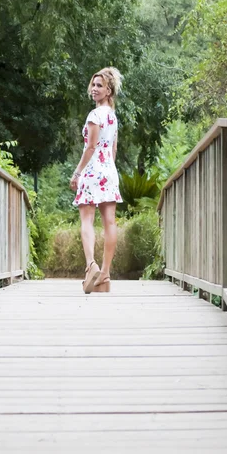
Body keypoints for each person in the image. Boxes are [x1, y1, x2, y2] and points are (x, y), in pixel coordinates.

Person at [70, 67, 123, 294]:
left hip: (92, 172)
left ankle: (91, 264)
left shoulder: (95, 116)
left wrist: (78, 172)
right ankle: (105, 275)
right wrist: (108, 170)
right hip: (109, 171)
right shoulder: (112, 116)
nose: (94, 89)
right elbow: (113, 149)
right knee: (110, 222)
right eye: (93, 84)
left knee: (87, 221)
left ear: (109, 90)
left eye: (99, 85)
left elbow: (91, 147)